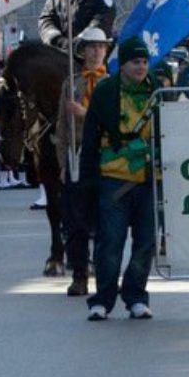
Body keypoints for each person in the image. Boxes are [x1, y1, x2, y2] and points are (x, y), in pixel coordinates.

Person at [78, 36, 157, 321]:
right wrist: (87, 182)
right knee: (110, 241)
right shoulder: (105, 92)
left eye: (145, 62)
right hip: (113, 178)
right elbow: (90, 140)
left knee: (145, 242)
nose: (141, 67)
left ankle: (136, 296)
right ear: (123, 64)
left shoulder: (157, 91)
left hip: (148, 179)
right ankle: (102, 299)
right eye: (136, 62)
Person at [55, 27, 112, 298]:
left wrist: (85, 113)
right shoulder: (72, 83)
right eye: (91, 47)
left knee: (103, 221)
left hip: (104, 156)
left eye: (101, 47)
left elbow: (113, 121)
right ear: (82, 51)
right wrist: (63, 161)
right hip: (77, 157)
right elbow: (62, 125)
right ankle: (79, 274)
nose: (96, 51)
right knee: (75, 220)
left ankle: (105, 275)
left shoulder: (112, 84)